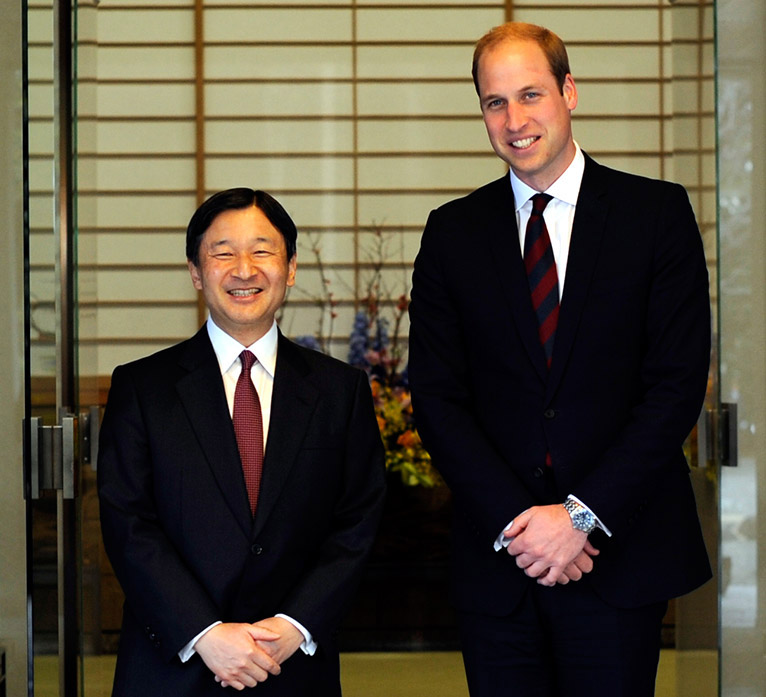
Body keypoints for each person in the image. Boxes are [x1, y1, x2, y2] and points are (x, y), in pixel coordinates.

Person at [408, 21, 712, 697]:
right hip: (499, 563)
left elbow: (675, 385)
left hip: (619, 553)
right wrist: (524, 527)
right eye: (495, 102)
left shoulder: (655, 215)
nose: (514, 120)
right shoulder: (452, 232)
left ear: (569, 91)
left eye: (531, 95)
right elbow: (436, 394)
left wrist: (578, 516)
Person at [98, 187, 386, 695]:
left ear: (291, 267)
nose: (244, 269)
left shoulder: (340, 390)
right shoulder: (143, 388)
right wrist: (203, 633)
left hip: (292, 663)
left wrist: (296, 623)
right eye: (223, 252)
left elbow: (359, 520)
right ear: (195, 272)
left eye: (262, 250)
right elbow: (128, 522)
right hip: (175, 663)